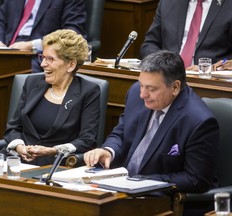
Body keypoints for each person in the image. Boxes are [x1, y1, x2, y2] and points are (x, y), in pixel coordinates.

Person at [84, 50, 219, 215]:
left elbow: (196, 179)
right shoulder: (135, 94)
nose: (142, 94)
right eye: (141, 85)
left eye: (151, 89)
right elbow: (121, 133)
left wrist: (144, 181)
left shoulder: (198, 121)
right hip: (120, 189)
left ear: (175, 87)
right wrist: (108, 151)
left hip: (162, 201)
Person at [2, 29, 100, 166]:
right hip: (16, 159)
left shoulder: (88, 92)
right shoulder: (32, 83)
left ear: (71, 65)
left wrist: (53, 151)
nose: (42, 64)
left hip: (56, 165)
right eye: (42, 57)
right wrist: (19, 147)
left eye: (50, 59)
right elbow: (13, 127)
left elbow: (87, 140)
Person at [0, 0, 87, 73]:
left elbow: (72, 33)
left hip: (40, 54)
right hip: (7, 48)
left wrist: (32, 45)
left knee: (21, 69)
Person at [140, 0, 232, 70]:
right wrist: (164, 66)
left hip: (209, 82)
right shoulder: (168, 2)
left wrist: (207, 69)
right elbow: (150, 44)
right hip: (167, 77)